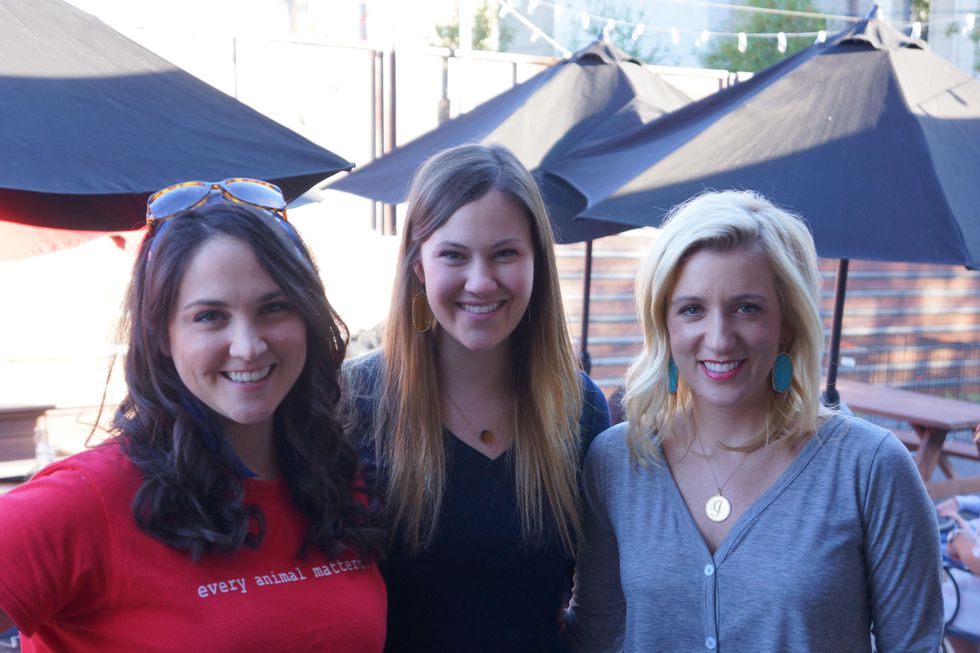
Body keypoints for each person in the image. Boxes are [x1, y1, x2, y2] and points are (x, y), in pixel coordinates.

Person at [0, 180, 387, 651]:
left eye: (274, 308)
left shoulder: (339, 484)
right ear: (161, 335)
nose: (248, 346)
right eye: (210, 316)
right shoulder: (87, 500)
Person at [563, 190, 944, 652]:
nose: (720, 339)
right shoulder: (618, 462)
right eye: (692, 309)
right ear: (664, 324)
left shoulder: (869, 469)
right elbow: (596, 636)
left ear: (787, 321)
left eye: (747, 307)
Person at [344, 143, 611, 652]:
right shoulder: (351, 403)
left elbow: (600, 595)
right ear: (418, 266)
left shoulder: (580, 409)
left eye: (505, 253)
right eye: (453, 255)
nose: (481, 281)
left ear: (537, 263)